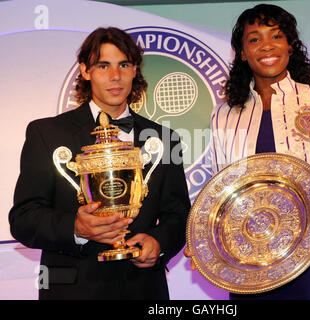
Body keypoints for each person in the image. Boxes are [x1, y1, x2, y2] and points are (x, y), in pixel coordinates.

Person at [185, 4, 310, 300]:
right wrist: (202, 237)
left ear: (290, 46)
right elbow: (219, 192)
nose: (266, 46)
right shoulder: (224, 115)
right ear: (242, 53)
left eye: (276, 36)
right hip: (250, 265)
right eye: (254, 39)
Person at [9, 27, 190, 300]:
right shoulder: (46, 134)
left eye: (124, 65)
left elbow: (178, 214)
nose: (115, 76)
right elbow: (23, 219)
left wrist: (158, 241)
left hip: (143, 289)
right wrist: (75, 228)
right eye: (103, 65)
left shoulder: (165, 139)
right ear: (85, 71)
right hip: (73, 291)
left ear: (135, 70)